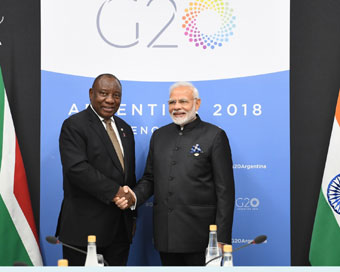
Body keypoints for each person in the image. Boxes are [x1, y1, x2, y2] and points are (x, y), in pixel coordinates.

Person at [115, 81, 235, 266]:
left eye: (183, 101)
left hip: (202, 237)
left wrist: (221, 237)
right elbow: (150, 179)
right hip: (166, 236)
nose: (177, 107)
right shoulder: (159, 136)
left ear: (197, 103)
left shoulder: (214, 136)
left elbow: (225, 191)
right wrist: (134, 196)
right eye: (172, 102)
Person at [55, 74, 136, 266]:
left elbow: (128, 175)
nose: (110, 100)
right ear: (91, 94)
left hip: (119, 231)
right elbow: (77, 169)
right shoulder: (74, 125)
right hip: (84, 230)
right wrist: (116, 192)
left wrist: (131, 213)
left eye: (116, 95)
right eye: (104, 93)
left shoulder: (125, 128)